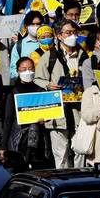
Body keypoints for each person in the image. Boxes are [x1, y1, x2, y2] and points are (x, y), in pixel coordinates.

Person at [35, 19, 89, 168]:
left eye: (74, 32)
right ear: (59, 36)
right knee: (61, 152)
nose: (73, 36)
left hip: (80, 110)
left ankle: (80, 179)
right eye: (68, 33)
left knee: (81, 148)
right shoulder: (49, 56)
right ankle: (64, 179)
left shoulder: (84, 55)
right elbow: (38, 78)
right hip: (58, 111)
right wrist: (48, 85)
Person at [0, 57, 54, 169]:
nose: (27, 72)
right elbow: (8, 119)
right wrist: (3, 145)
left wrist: (45, 119)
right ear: (18, 71)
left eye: (30, 68)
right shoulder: (13, 93)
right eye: (24, 69)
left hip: (39, 139)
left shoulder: (41, 91)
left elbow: (49, 114)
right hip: (18, 138)